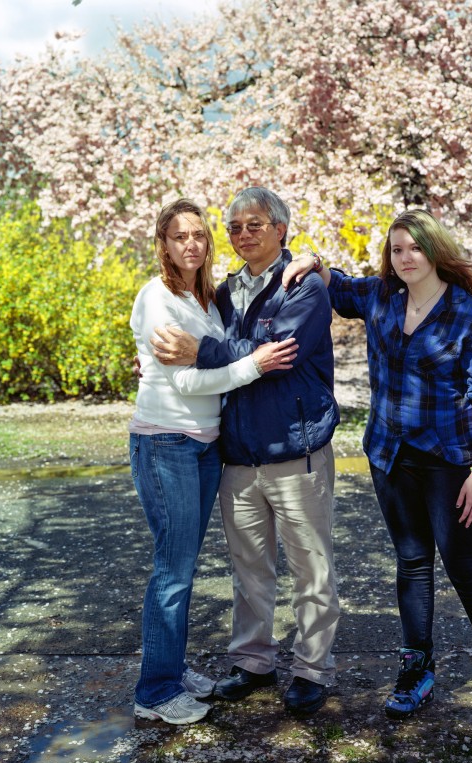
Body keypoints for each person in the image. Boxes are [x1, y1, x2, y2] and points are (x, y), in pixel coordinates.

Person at [282, 208, 472, 740]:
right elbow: (335, 284)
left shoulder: (467, 314)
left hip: (449, 462)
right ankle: (417, 669)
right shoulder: (381, 298)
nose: (405, 258)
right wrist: (311, 260)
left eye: (413, 248)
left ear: (434, 250)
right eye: (396, 250)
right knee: (412, 563)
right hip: (390, 457)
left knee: (468, 573)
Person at [148, 186, 341, 716]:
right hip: (240, 455)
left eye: (255, 224)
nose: (243, 234)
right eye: (234, 227)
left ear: (281, 229)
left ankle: (311, 669)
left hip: (295, 450)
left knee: (311, 568)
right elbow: (205, 350)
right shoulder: (226, 292)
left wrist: (203, 351)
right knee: (249, 570)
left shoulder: (302, 287)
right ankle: (253, 662)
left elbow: (275, 352)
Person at [129, 198, 297, 726]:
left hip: (204, 445)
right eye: (180, 237)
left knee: (183, 567)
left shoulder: (204, 297)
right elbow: (184, 380)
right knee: (173, 573)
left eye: (200, 234)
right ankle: (154, 692)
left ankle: (171, 672)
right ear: (164, 243)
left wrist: (306, 259)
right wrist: (252, 365)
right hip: (166, 443)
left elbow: (206, 357)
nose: (193, 244)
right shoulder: (158, 299)